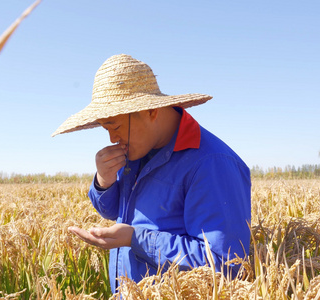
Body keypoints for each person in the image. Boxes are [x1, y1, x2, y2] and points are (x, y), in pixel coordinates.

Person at [52, 54, 251, 294]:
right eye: (106, 129)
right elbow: (116, 212)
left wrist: (136, 239)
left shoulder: (212, 165)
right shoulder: (139, 150)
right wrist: (103, 182)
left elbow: (224, 265)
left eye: (115, 126)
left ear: (151, 111)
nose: (112, 139)